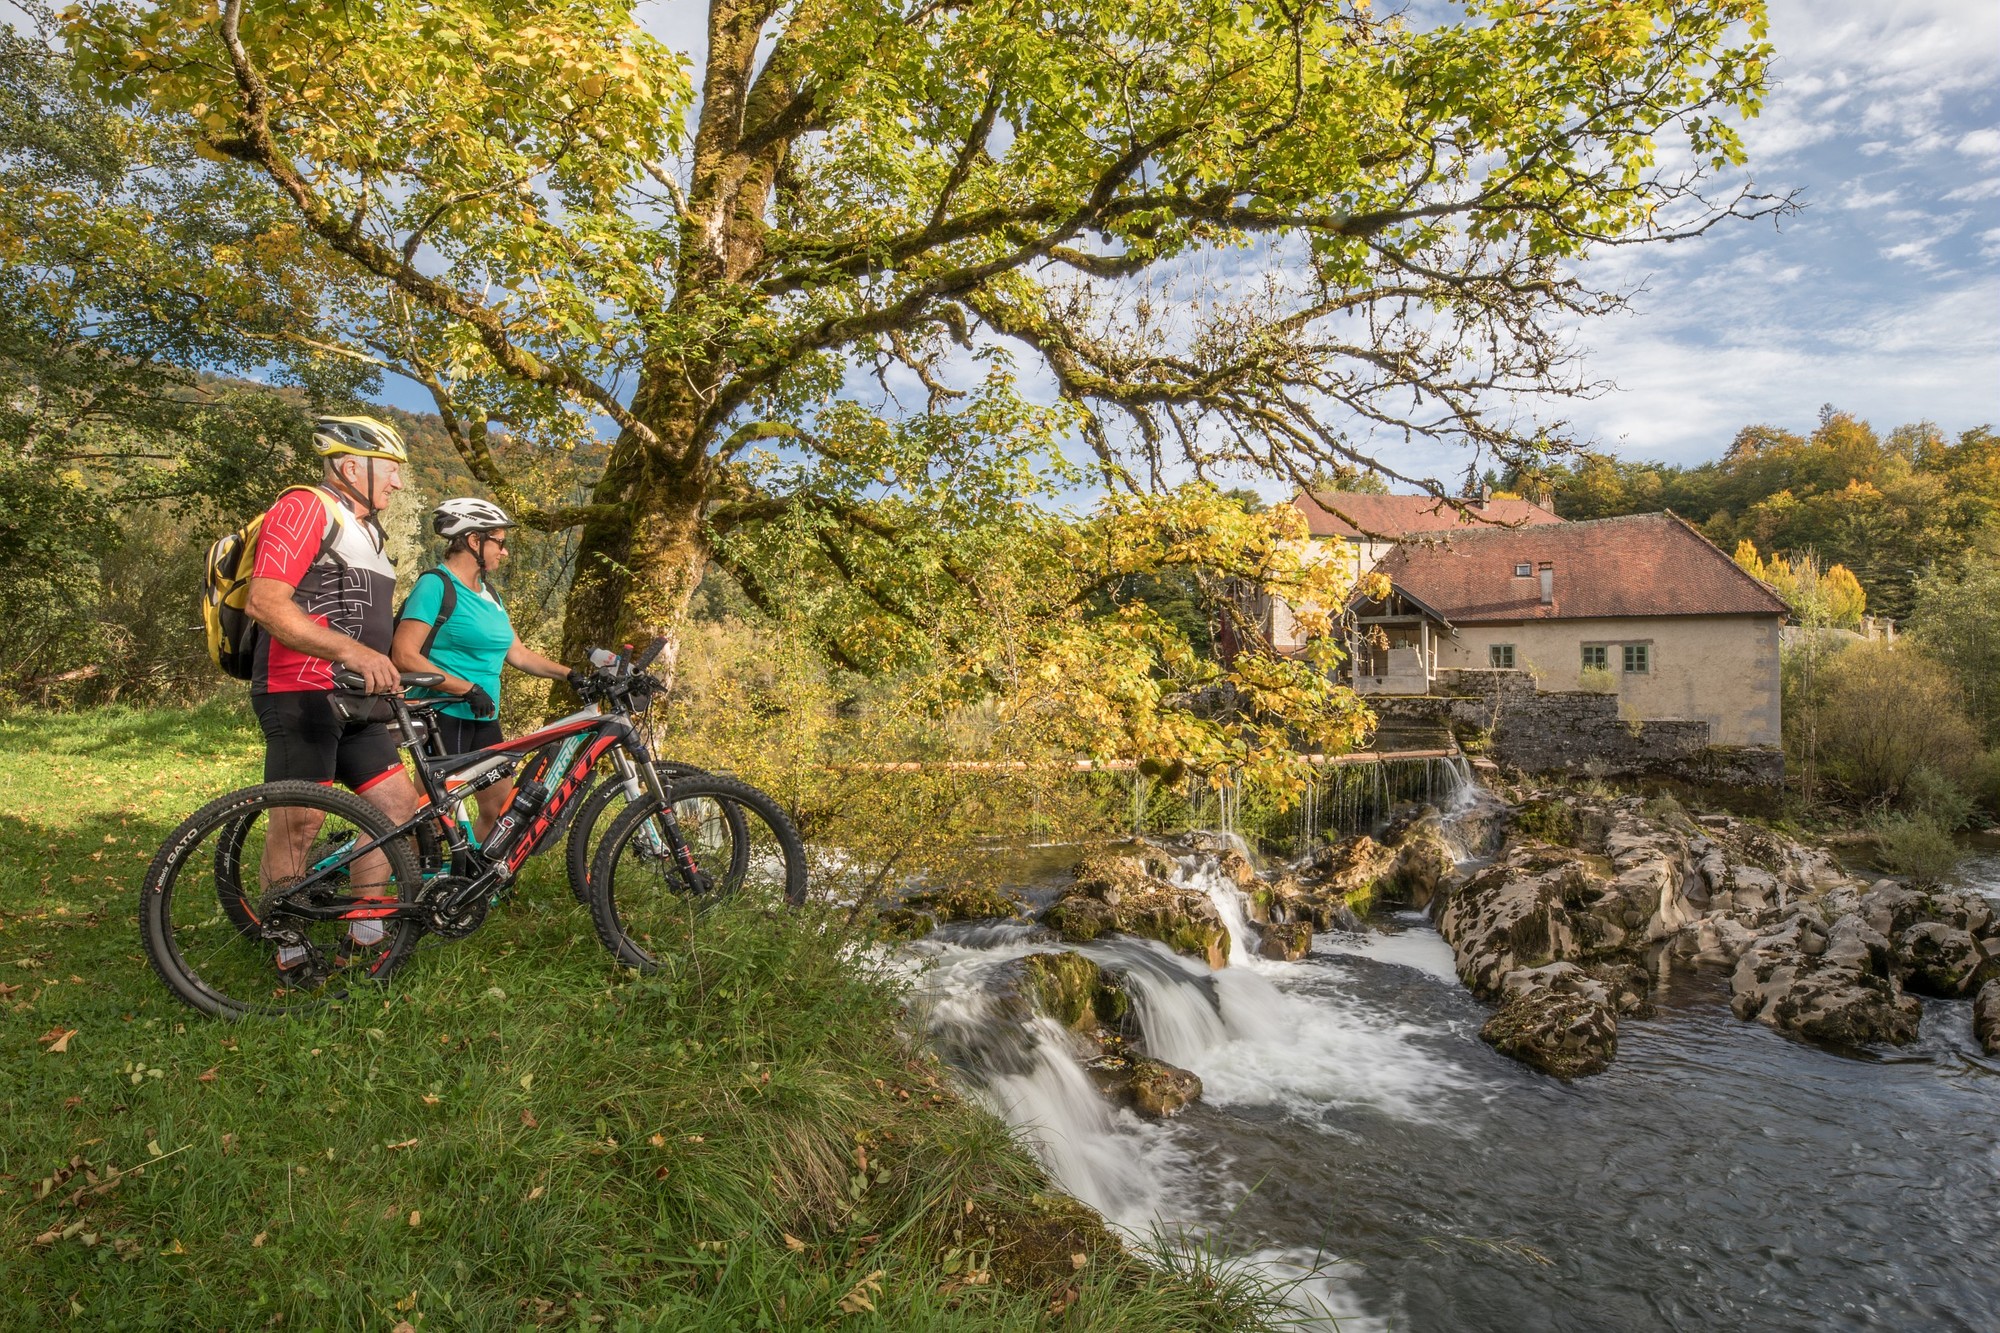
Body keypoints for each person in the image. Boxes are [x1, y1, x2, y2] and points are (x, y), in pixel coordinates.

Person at [243, 415, 419, 968]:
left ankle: (364, 929)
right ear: (350, 467)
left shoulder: (370, 531)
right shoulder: (305, 506)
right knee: (300, 822)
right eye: (390, 471)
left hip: (359, 699)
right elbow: (265, 602)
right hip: (301, 690)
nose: (397, 483)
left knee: (397, 809)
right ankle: (286, 940)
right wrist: (351, 651)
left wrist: (388, 673)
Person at [391, 498, 579, 841]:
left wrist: (570, 674)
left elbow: (518, 654)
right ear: (474, 540)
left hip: (483, 717)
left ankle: (473, 874)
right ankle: (411, 874)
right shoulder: (436, 585)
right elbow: (404, 655)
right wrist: (466, 689)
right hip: (443, 715)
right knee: (430, 818)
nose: (504, 552)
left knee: (500, 812)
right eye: (499, 542)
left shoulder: (489, 594)